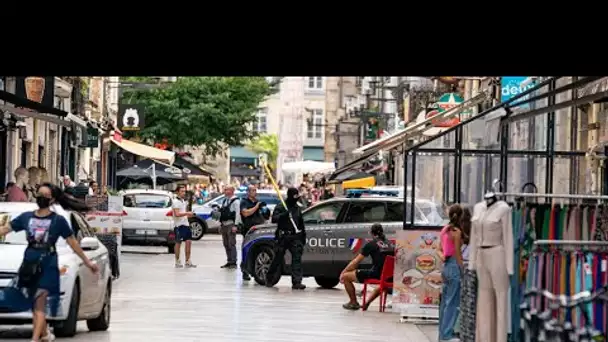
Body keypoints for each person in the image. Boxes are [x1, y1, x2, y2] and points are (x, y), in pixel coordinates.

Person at [0, 183, 99, 342]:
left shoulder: (58, 221)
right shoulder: (26, 217)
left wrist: (88, 262)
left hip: (48, 265)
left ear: (52, 199)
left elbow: (73, 243)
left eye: (45, 196)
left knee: (39, 302)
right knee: (35, 304)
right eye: (39, 194)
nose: (41, 198)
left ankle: (35, 339)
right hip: (29, 265)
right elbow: (5, 229)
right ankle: (45, 334)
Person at [340, 223, 395, 310]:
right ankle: (366, 303)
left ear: (371, 233)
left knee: (346, 277)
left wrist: (343, 271)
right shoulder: (391, 244)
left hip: (377, 274)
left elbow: (356, 261)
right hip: (390, 276)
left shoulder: (371, 244)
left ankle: (353, 302)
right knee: (382, 284)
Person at [436, 204, 467, 342]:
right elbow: (458, 254)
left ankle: (441, 334)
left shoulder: (444, 230)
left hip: (445, 267)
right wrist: (464, 271)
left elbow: (438, 249)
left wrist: (442, 256)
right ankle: (447, 334)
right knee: (453, 303)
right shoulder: (457, 232)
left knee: (445, 302)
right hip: (454, 266)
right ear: (460, 217)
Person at [266, 187, 306, 290]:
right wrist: (284, 215)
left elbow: (300, 223)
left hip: (295, 237)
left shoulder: (297, 208)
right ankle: (270, 279)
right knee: (278, 258)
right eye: (295, 196)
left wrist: (303, 237)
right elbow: (274, 219)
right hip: (283, 236)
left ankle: (297, 282)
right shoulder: (281, 206)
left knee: (297, 259)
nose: (296, 198)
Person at [239, 185, 268, 281]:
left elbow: (265, 216)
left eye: (255, 190)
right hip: (249, 230)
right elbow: (245, 213)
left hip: (259, 229)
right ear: (248, 192)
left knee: (258, 251)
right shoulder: (244, 202)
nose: (255, 192)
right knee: (247, 250)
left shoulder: (257, 202)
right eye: (253, 190)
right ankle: (245, 271)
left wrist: (265, 210)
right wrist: (256, 207)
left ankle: (257, 272)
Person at [172, 185, 196, 268]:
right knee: (178, 243)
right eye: (182, 191)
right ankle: (177, 261)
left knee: (188, 242)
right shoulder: (175, 201)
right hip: (179, 225)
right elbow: (177, 214)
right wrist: (187, 213)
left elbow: (183, 213)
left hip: (186, 224)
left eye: (184, 191)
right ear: (177, 192)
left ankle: (188, 261)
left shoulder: (183, 201)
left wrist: (189, 215)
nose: (183, 193)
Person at [218, 185, 241, 269]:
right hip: (224, 224)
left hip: (231, 224)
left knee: (231, 244)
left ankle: (233, 262)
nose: (225, 191)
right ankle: (229, 261)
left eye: (226, 190)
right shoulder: (225, 200)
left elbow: (238, 213)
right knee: (226, 244)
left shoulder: (236, 201)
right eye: (225, 189)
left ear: (232, 191)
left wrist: (236, 225)